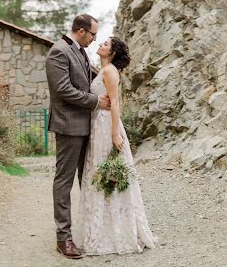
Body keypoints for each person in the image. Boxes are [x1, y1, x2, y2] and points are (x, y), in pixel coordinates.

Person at [76, 36, 156, 255]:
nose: (100, 45)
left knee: (107, 172)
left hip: (105, 126)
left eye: (105, 45)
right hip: (97, 125)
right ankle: (102, 230)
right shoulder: (102, 70)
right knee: (98, 173)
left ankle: (119, 232)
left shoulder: (110, 71)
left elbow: (115, 103)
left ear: (111, 53)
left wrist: (114, 133)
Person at [45, 14, 111, 260]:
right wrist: (96, 101)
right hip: (68, 126)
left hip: (86, 126)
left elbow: (87, 82)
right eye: (93, 34)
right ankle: (64, 238)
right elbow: (62, 89)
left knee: (88, 178)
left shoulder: (81, 52)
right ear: (81, 31)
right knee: (64, 181)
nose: (95, 39)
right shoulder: (58, 52)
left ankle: (90, 230)